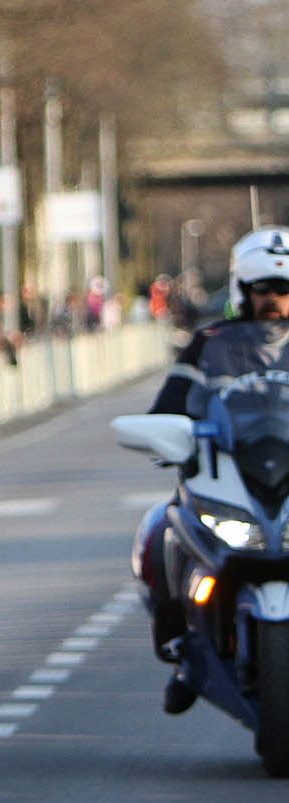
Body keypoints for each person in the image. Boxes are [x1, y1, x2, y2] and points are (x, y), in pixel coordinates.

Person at [138, 226, 289, 714]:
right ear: (243, 290)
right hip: (227, 473)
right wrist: (167, 433)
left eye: (284, 289)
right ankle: (184, 651)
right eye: (264, 289)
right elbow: (169, 405)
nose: (274, 299)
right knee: (161, 530)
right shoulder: (210, 343)